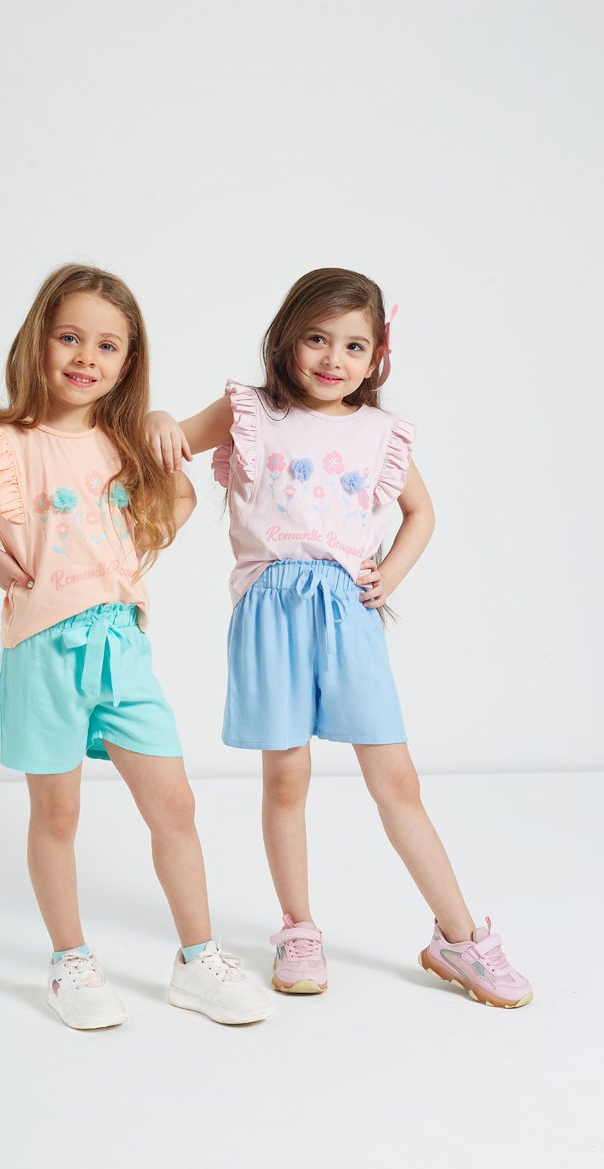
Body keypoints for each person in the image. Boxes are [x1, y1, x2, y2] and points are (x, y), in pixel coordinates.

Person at [0, 264, 273, 1030]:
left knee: (175, 805)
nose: (86, 356)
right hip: (42, 650)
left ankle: (198, 960)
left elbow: (181, 492)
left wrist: (147, 504)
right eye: (69, 337)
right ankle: (71, 961)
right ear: (39, 342)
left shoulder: (125, 443)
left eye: (107, 345)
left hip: (122, 646)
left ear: (128, 361)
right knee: (56, 815)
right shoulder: (1, 443)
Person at [146, 267, 532, 1009]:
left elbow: (421, 512)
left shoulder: (380, 433)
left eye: (354, 345)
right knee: (286, 777)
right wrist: (161, 416)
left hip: (346, 613)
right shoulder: (251, 410)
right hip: (269, 609)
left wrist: (391, 575)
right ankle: (298, 929)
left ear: (377, 354)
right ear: (287, 339)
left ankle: (459, 937)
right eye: (317, 339)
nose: (333, 358)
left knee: (397, 781)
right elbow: (167, 443)